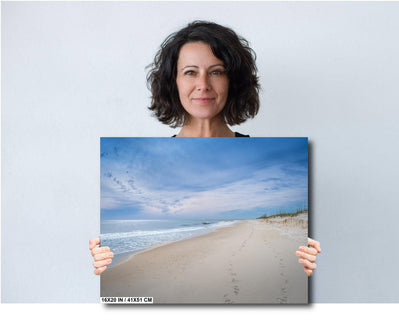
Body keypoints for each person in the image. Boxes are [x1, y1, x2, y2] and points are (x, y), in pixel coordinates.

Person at [89, 20, 321, 277]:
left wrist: (303, 264)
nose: (203, 84)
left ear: (232, 81)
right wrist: (105, 264)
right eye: (190, 72)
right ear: (173, 81)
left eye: (216, 71)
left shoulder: (278, 162)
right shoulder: (147, 166)